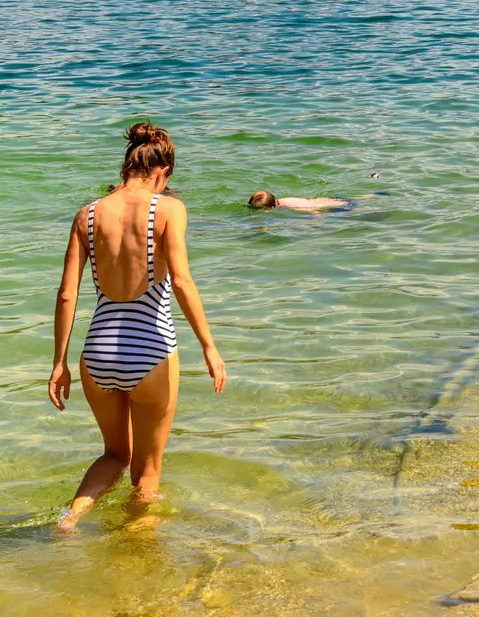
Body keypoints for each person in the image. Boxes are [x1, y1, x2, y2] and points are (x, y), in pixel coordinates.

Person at [49, 123, 225, 532]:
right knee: (146, 472)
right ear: (162, 172)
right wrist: (209, 346)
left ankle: (69, 520)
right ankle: (140, 556)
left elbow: (65, 295)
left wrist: (59, 363)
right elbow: (181, 281)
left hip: (98, 354)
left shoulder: (87, 215)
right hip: (150, 352)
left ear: (127, 165)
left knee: (114, 455)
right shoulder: (168, 209)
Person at [248, 191, 352, 212]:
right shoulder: (280, 202)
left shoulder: (289, 205)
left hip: (340, 206)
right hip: (331, 200)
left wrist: (314, 227)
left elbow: (314, 211)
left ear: (273, 206)